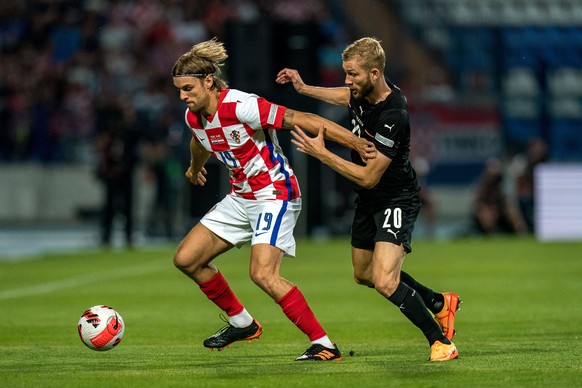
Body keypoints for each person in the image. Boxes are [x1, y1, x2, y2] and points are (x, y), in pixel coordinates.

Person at [171, 38, 375, 361]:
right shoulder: (193, 117)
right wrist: (194, 168)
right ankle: (242, 323)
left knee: (263, 274)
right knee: (186, 259)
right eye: (179, 90)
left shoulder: (241, 106)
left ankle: (324, 344)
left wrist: (355, 141)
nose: (183, 97)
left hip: (274, 193)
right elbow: (200, 142)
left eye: (187, 89)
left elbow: (305, 120)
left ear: (208, 81)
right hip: (241, 197)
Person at [276, 37, 460, 362]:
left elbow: (368, 176)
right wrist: (304, 88)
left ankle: (440, 341)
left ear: (374, 74)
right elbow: (343, 96)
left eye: (353, 74)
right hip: (369, 199)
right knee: (364, 274)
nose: (348, 81)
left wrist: (322, 153)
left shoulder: (394, 114)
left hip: (395, 199)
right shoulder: (361, 93)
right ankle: (439, 303)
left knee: (385, 280)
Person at [472, 158, 527, 235]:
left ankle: (521, 231)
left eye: (496, 176)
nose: (494, 179)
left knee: (511, 210)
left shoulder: (503, 186)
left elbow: (507, 202)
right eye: (491, 175)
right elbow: (477, 204)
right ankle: (492, 233)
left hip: (501, 213)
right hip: (487, 214)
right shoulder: (482, 186)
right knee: (484, 213)